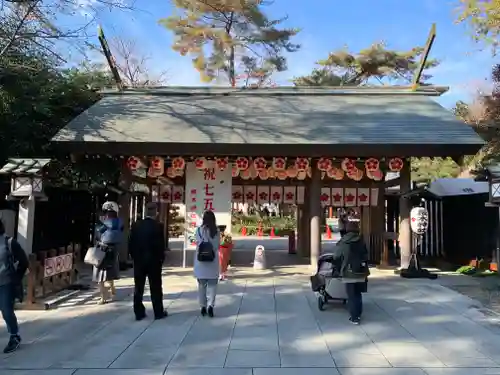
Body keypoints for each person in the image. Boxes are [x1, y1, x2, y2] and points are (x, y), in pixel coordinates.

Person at [129, 202, 167, 321]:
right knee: (155, 286)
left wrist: (134, 257)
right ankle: (158, 312)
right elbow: (161, 246)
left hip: (139, 261)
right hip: (154, 261)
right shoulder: (158, 226)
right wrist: (161, 259)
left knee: (138, 287)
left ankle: (138, 312)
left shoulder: (136, 225)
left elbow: (131, 243)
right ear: (155, 212)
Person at [333, 219, 370, 325]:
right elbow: (365, 255)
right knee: (358, 294)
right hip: (361, 271)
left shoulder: (344, 241)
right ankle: (358, 313)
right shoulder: (361, 240)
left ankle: (354, 317)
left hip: (349, 271)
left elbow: (336, 256)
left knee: (351, 294)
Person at [0, 219, 28, 353]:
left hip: (6, 282)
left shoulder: (9, 242)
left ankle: (14, 335)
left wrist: (16, 278)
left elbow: (24, 261)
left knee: (6, 311)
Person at [93, 201, 123, 304]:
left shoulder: (104, 223)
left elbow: (98, 234)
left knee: (100, 275)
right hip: (114, 250)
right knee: (110, 272)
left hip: (102, 249)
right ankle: (113, 293)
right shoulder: (120, 222)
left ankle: (103, 297)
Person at [194, 210, 220, 318]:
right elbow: (217, 246)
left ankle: (202, 306)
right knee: (213, 286)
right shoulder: (216, 231)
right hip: (212, 261)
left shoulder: (199, 230)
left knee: (201, 286)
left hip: (201, 262)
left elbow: (198, 243)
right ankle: (211, 305)